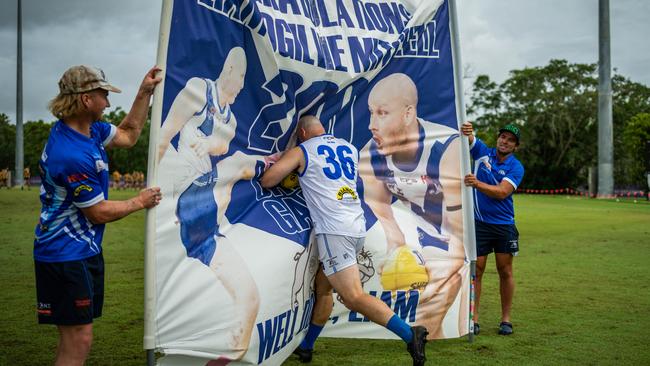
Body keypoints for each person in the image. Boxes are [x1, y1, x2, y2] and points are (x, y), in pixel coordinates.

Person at [261, 115, 429, 366]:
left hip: (334, 231)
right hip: (355, 225)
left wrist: (286, 163)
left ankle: (409, 334)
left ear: (303, 134)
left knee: (353, 297)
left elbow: (268, 180)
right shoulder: (348, 147)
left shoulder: (302, 149)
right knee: (324, 289)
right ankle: (306, 348)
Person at [34, 65, 162, 366]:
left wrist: (144, 93)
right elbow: (98, 212)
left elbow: (129, 134)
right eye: (103, 95)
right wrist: (138, 201)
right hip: (64, 255)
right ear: (85, 100)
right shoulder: (70, 154)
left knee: (79, 335)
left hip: (83, 251)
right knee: (78, 337)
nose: (108, 102)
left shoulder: (89, 131)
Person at [157, 46, 270, 361]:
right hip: (181, 197)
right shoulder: (198, 89)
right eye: (243, 76)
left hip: (202, 222)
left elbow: (219, 144)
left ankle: (219, 361)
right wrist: (155, 193)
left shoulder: (230, 121)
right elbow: (164, 135)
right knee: (238, 163)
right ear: (230, 71)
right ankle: (278, 163)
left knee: (249, 298)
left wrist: (210, 144)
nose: (244, 85)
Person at [359, 73, 468, 338]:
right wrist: (396, 248)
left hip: (451, 233)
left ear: (408, 114)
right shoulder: (369, 154)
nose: (372, 124)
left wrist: (451, 263)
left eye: (382, 113)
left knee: (440, 299)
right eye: (371, 113)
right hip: (416, 235)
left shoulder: (447, 146)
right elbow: (380, 208)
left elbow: (460, 226)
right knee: (423, 316)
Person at [462, 121, 524, 336]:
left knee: (505, 271)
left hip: (504, 225)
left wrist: (476, 184)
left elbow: (502, 192)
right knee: (476, 271)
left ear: (515, 146)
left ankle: (506, 320)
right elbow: (469, 138)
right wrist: (468, 130)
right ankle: (474, 318)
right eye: (503, 137)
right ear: (498, 138)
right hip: (479, 225)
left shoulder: (516, 167)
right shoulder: (482, 153)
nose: (505, 142)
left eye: (510, 140)